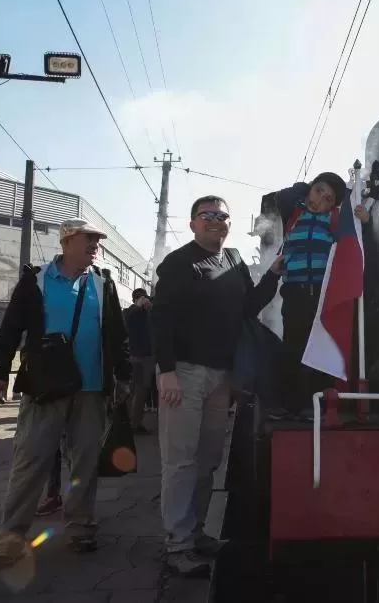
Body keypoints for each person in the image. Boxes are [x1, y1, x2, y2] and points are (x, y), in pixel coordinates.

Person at [0, 218, 132, 568]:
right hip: (45, 386)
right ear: (67, 242)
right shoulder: (36, 280)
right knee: (31, 459)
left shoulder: (103, 283)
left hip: (91, 388)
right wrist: (0, 372)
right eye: (88, 239)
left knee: (84, 462)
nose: (95, 246)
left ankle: (80, 527)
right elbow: (11, 327)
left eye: (97, 240)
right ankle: (10, 537)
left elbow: (117, 334)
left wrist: (123, 375)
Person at [152, 195, 281, 576]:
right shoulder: (178, 263)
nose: (215, 220)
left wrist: (274, 274)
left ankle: (195, 533)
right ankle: (177, 545)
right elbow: (161, 318)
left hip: (222, 375)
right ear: (193, 223)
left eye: (222, 215)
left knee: (208, 460)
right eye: (207, 215)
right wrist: (166, 371)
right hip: (185, 373)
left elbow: (248, 307)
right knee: (180, 461)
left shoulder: (235, 260)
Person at [268, 172, 369, 419]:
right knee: (292, 348)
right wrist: (307, 191)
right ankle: (289, 405)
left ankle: (316, 405)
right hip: (295, 293)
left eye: (328, 198)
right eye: (318, 191)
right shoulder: (293, 214)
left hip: (321, 295)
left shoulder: (334, 220)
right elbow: (283, 196)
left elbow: (353, 244)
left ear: (334, 205)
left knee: (318, 349)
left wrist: (363, 221)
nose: (320, 199)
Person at [124, 287, 154, 434]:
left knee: (141, 391)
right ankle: (133, 424)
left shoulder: (149, 312)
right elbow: (125, 321)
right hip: (136, 357)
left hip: (147, 357)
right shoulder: (130, 312)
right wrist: (137, 306)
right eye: (141, 298)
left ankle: (134, 422)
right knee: (136, 390)